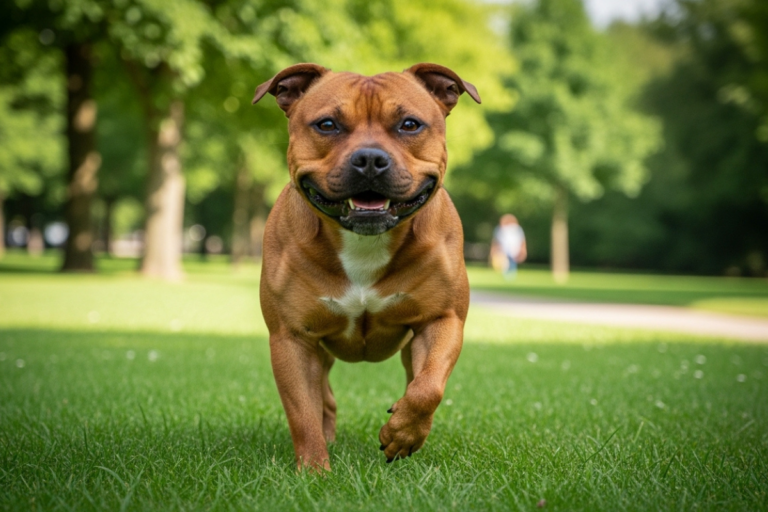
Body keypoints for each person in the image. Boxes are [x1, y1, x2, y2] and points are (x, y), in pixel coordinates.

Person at [491, 214, 527, 279]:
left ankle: (510, 275)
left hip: (513, 249)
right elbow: (497, 241)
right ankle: (506, 274)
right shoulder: (500, 229)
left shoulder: (516, 229)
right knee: (504, 263)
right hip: (503, 250)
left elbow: (521, 240)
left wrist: (522, 249)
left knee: (511, 262)